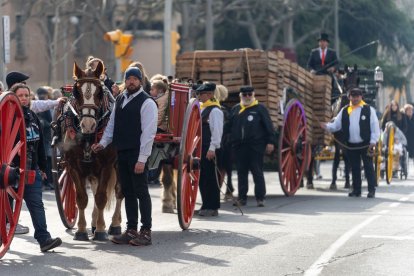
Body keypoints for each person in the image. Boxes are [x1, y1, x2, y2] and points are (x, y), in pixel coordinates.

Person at [91, 67, 157, 246]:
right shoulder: (120, 99)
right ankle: (131, 229)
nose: (131, 82)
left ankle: (146, 231)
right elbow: (112, 125)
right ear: (125, 81)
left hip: (137, 153)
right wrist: (102, 143)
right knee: (127, 191)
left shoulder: (147, 102)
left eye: (135, 79)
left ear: (140, 81)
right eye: (129, 79)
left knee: (141, 192)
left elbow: (149, 133)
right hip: (122, 152)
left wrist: (142, 159)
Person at [9, 84, 62, 252]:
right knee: (6, 208)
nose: (24, 98)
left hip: (31, 169)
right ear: (14, 96)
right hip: (11, 171)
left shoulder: (33, 116)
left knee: (37, 205)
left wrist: (44, 168)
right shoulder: (7, 117)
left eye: (26, 95)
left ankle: (44, 239)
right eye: (20, 95)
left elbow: (39, 145)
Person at [320, 88, 380, 198]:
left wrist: (373, 141)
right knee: (355, 168)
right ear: (349, 97)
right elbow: (336, 125)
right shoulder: (344, 110)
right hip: (351, 144)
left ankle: (371, 190)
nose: (355, 98)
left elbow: (375, 126)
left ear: (361, 97)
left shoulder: (368, 109)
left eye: (357, 96)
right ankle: (357, 190)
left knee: (368, 167)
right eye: (353, 96)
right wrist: (326, 126)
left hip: (365, 144)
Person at [230, 86, 275, 207]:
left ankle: (260, 198)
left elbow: (269, 127)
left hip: (256, 146)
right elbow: (228, 127)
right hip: (240, 146)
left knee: (257, 171)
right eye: (245, 95)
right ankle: (242, 198)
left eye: (250, 94)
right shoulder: (235, 109)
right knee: (241, 172)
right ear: (240, 96)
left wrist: (270, 142)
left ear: (253, 95)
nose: (247, 97)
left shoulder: (260, 109)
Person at [196, 82, 223, 216]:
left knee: (210, 178)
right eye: (199, 94)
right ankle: (205, 204)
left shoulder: (215, 110)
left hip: (208, 148)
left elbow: (217, 131)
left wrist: (212, 148)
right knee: (202, 178)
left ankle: (212, 207)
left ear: (210, 94)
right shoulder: (203, 108)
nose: (199, 96)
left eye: (202, 94)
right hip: (201, 147)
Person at [214, 84, 234, 200]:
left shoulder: (222, 110)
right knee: (226, 166)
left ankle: (225, 187)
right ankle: (228, 187)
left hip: (224, 142)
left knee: (224, 165)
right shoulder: (225, 110)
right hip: (224, 141)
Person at [36, 87, 54, 190]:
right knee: (45, 161)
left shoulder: (45, 105)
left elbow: (49, 121)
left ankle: (48, 181)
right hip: (42, 136)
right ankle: (45, 182)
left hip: (46, 136)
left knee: (47, 161)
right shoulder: (41, 104)